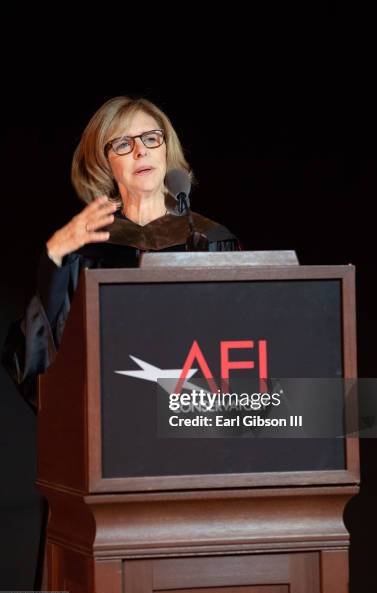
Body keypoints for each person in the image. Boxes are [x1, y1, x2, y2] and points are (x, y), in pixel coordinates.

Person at [2, 96, 240, 409]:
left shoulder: (211, 239)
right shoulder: (88, 252)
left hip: (197, 422)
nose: (141, 150)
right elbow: (43, 360)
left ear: (166, 149)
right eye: (123, 144)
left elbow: (245, 339)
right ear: (104, 162)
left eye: (151, 139)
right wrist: (54, 255)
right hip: (117, 418)